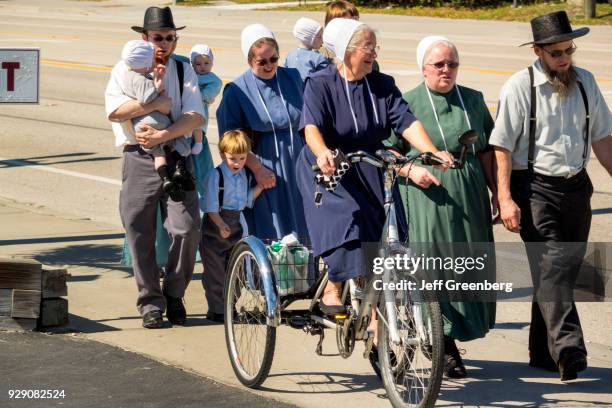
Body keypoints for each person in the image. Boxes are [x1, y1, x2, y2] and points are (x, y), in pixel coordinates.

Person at [295, 19, 452, 328]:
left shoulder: (382, 84)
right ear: (345, 50)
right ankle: (332, 289)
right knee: (350, 216)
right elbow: (310, 126)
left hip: (368, 161)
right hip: (329, 163)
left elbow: (406, 121)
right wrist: (322, 151)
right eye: (365, 46)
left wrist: (431, 151)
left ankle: (378, 322)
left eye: (373, 46)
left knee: (386, 223)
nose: (372, 52)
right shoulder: (320, 82)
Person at [490, 11, 612, 381]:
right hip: (535, 189)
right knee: (553, 266)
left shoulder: (586, 82)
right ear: (539, 51)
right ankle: (570, 350)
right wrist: (506, 198)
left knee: (559, 272)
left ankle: (543, 353)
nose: (565, 58)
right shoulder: (518, 86)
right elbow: (502, 148)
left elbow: (603, 138)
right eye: (557, 52)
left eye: (569, 50)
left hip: (576, 188)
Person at [385, 36, 497, 378]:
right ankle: (443, 345)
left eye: (452, 64)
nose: (446, 70)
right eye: (439, 64)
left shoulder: (474, 100)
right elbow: (389, 152)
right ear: (423, 68)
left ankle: (453, 335)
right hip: (428, 197)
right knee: (436, 266)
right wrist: (410, 169)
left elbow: (489, 150)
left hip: (470, 197)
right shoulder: (407, 102)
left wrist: (499, 194)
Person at [105, 6, 204, 329]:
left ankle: (174, 293)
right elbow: (116, 111)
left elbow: (195, 115)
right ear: (144, 38)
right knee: (138, 230)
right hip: (137, 157)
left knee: (187, 228)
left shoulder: (182, 70)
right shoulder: (124, 68)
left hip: (177, 155)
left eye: (170, 38)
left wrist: (164, 133)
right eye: (157, 37)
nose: (164, 44)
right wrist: (156, 104)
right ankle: (150, 303)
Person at [216, 23, 308, 241]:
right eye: (262, 61)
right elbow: (230, 141)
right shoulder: (237, 90)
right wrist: (257, 169)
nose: (269, 66)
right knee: (273, 233)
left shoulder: (292, 77)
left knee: (305, 227)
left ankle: (307, 274)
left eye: (274, 59)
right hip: (265, 168)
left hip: (299, 162)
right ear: (249, 61)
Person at [120, 39, 198, 202]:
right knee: (177, 140)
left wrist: (157, 80)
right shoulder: (139, 78)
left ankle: (166, 179)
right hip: (154, 123)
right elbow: (146, 98)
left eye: (170, 37)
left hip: (143, 128)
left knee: (159, 155)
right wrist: (159, 95)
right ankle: (180, 169)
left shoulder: (129, 74)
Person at [200, 130, 264, 322]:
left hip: (236, 223)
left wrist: (260, 187)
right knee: (215, 270)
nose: (237, 163)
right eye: (232, 158)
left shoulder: (243, 175)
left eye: (242, 158)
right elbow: (210, 205)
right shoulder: (216, 175)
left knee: (235, 267)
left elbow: (245, 201)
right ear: (222, 155)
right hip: (215, 225)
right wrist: (220, 224)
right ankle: (217, 310)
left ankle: (229, 306)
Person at [189, 44, 223, 210]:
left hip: (200, 110)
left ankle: (198, 142)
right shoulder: (190, 76)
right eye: (198, 64)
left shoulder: (212, 78)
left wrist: (200, 95)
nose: (202, 67)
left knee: (198, 126)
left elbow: (213, 89)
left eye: (206, 63)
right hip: (189, 110)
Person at [320, 0, 379, 72]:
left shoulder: (368, 62)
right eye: (348, 22)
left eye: (356, 20)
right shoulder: (320, 58)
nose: (355, 26)